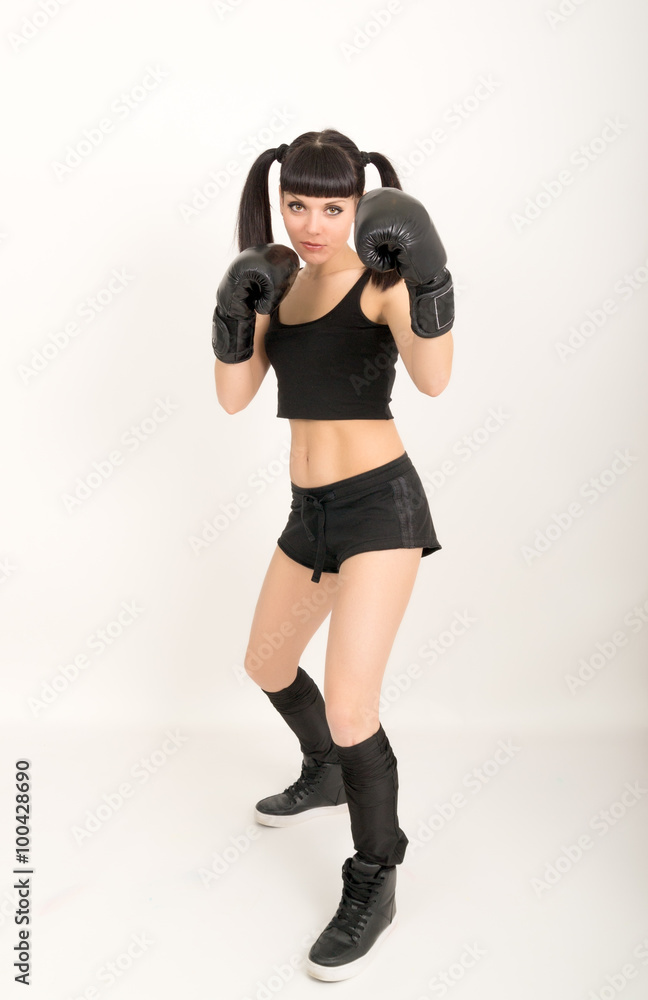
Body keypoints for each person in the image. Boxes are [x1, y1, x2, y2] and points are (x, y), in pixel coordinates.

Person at [212, 128, 454, 981]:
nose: (313, 223)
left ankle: (375, 875)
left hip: (380, 507)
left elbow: (433, 380)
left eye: (333, 206)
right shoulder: (277, 285)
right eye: (298, 204)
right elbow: (236, 397)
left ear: (360, 205)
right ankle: (324, 773)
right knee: (266, 662)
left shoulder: (381, 284)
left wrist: (428, 280)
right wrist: (234, 310)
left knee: (355, 705)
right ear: (280, 202)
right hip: (307, 512)